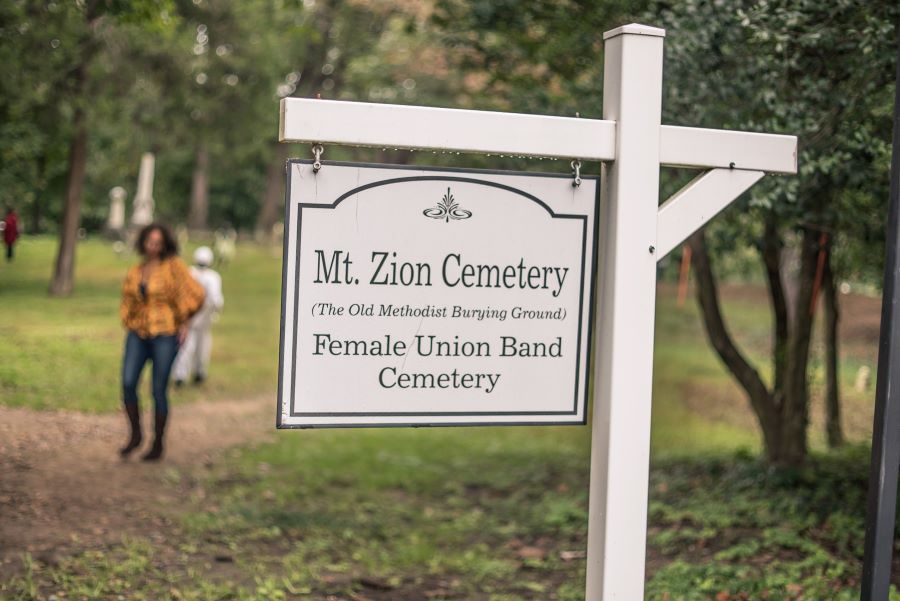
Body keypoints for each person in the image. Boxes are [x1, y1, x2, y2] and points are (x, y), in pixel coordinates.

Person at [119, 223, 205, 461]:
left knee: (158, 389)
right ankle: (135, 434)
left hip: (165, 334)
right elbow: (128, 299)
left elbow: (195, 294)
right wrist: (129, 321)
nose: (153, 246)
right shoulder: (137, 270)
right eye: (149, 241)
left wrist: (185, 322)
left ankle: (157, 443)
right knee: (127, 383)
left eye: (158, 242)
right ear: (143, 242)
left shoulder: (174, 267)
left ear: (165, 244)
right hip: (138, 333)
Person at [173, 246, 224, 386]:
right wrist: (214, 312)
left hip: (190, 317)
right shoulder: (213, 277)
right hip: (204, 317)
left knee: (186, 346)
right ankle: (198, 373)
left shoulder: (189, 272)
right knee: (202, 345)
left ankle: (181, 375)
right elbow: (216, 299)